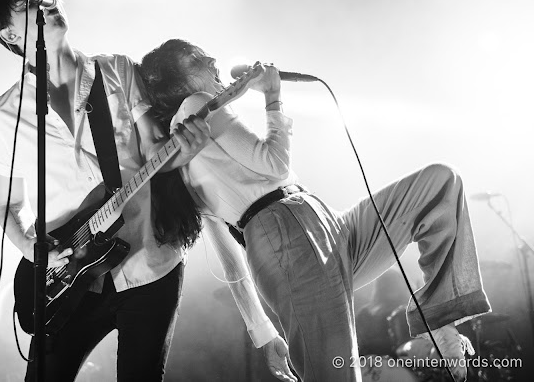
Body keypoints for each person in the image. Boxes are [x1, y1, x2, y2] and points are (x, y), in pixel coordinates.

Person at [0, 0, 292, 382]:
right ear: (9, 34)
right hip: (66, 279)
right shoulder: (4, 117)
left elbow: (154, 155)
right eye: (27, 4)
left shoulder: (117, 71)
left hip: (150, 264)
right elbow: (9, 206)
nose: (45, 5)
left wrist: (184, 150)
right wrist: (32, 247)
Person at [138, 38, 492, 382]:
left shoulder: (184, 144)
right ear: (177, 80)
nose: (214, 63)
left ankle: (441, 320)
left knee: (440, 183)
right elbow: (274, 164)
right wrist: (273, 98)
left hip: (317, 225)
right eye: (198, 58)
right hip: (286, 235)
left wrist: (262, 333)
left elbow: (232, 262)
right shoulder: (196, 106)